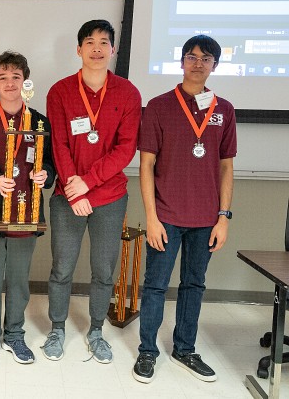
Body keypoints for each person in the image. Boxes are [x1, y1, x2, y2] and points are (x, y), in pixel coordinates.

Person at [132, 34, 236, 384]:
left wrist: (223, 217)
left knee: (194, 284)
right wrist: (151, 216)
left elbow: (225, 167)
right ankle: (147, 351)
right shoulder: (159, 106)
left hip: (206, 219)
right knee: (156, 285)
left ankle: (185, 349)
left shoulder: (224, 110)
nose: (198, 63)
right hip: (166, 216)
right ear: (181, 62)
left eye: (206, 59)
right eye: (191, 57)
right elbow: (146, 166)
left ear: (215, 66)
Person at [43, 19, 142, 364]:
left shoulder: (128, 93)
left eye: (104, 42)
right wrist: (75, 189)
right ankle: (57, 328)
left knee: (103, 270)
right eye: (90, 42)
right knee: (62, 268)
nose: (97, 48)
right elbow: (59, 144)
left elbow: (126, 148)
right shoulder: (59, 91)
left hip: (110, 197)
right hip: (68, 196)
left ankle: (96, 330)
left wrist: (89, 182)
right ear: (79, 49)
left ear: (112, 49)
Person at [0, 51, 55, 365]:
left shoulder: (40, 122)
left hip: (27, 213)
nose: (10, 83)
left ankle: (15, 335)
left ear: (25, 82)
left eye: (16, 77)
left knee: (19, 280)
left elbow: (51, 163)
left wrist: (46, 174)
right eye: (3, 77)